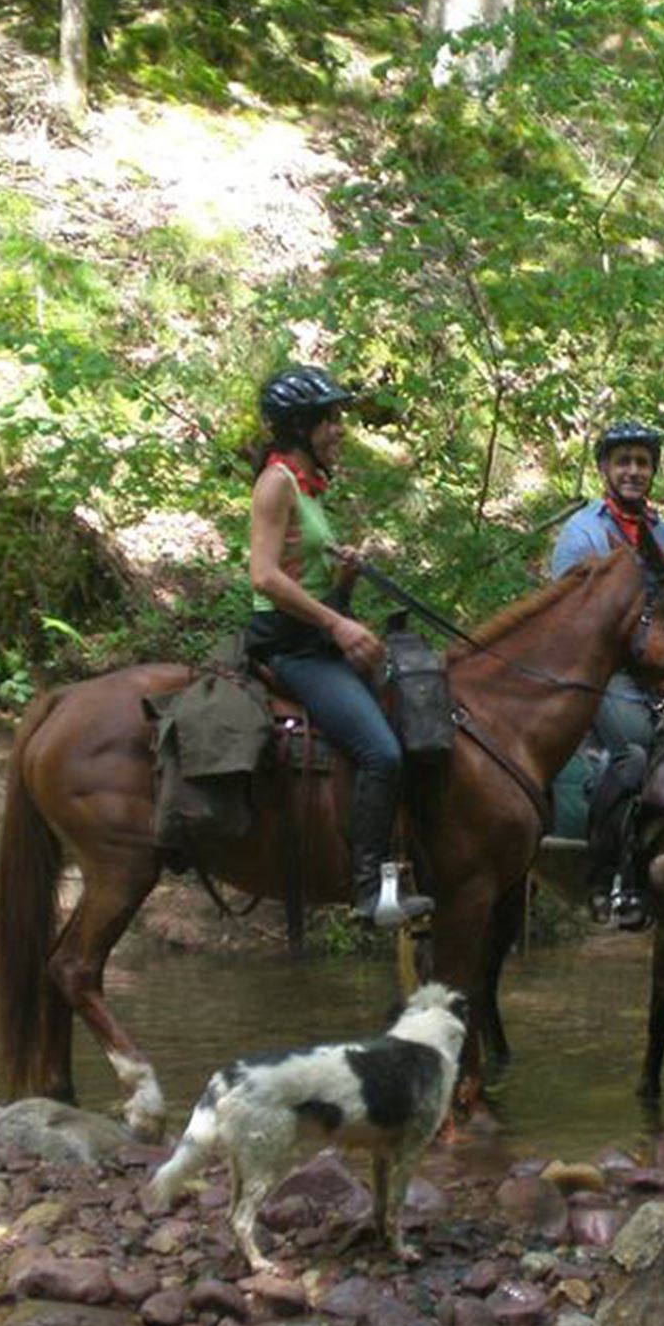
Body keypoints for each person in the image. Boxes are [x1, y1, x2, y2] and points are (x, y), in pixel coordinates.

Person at [245, 364, 434, 929]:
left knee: (416, 712)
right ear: (301, 426)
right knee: (382, 752)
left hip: (313, 639)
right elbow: (263, 576)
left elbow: (298, 576)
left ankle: (408, 866)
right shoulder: (276, 483)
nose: (340, 429)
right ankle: (367, 890)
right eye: (330, 419)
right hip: (293, 650)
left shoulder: (305, 487)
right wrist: (339, 625)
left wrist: (344, 583)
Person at [548, 420, 664, 928]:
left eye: (642, 462)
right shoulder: (582, 532)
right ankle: (616, 876)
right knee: (641, 745)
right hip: (602, 672)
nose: (633, 470)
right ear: (605, 469)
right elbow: (573, 619)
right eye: (623, 461)